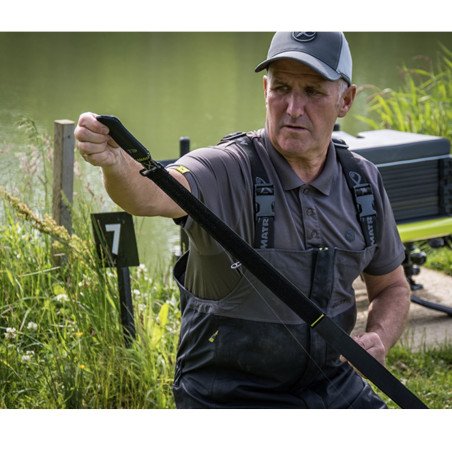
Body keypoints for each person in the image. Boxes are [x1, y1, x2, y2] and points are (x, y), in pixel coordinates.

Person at [75, 32, 410, 408]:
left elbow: (392, 287)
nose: (293, 108)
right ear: (265, 90)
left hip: (331, 386)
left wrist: (379, 336)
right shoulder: (226, 167)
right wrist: (116, 163)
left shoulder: (362, 181)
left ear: (345, 100)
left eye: (312, 91)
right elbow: (149, 195)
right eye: (281, 88)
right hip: (227, 394)